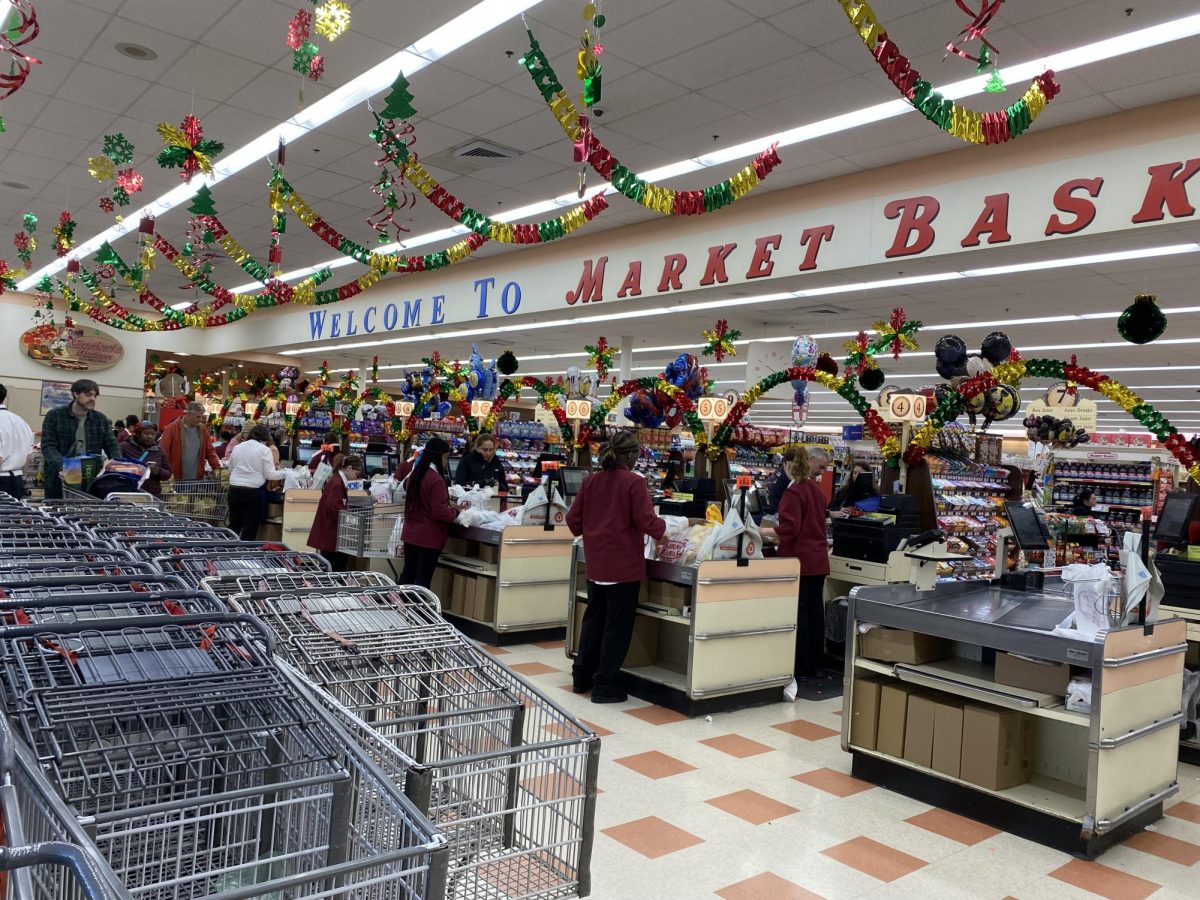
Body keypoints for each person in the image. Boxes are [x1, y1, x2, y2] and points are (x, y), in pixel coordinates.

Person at [567, 431, 667, 704]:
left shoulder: (591, 481)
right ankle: (604, 684)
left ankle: (581, 676)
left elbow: (573, 520)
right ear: (631, 455)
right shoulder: (634, 483)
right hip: (623, 565)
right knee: (617, 626)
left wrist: (593, 530)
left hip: (597, 563)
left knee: (593, 620)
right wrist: (665, 530)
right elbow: (647, 520)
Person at [775, 447, 832, 684]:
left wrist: (761, 530)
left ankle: (800, 665)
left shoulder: (794, 492)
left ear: (789, 466)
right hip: (818, 560)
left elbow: (790, 529)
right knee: (816, 613)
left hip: (798, 560)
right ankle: (816, 664)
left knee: (800, 614)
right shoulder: (817, 492)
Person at [40, 378, 120, 500]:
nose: (92, 399)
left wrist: (116, 463)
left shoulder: (100, 419)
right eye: (88, 395)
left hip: (90, 474)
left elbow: (111, 444)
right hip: (59, 475)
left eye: (95, 396)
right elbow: (48, 445)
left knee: (86, 513)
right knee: (58, 511)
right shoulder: (55, 415)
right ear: (76, 394)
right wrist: (62, 467)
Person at [399, 437, 459, 588]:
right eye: (445, 457)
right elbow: (439, 512)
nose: (446, 462)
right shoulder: (436, 479)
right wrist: (455, 513)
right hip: (429, 537)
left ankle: (398, 606)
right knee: (422, 580)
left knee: (408, 574)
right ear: (438, 456)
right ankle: (419, 611)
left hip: (411, 533)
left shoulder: (415, 474)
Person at [227, 424, 287, 541]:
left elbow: (230, 468)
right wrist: (286, 473)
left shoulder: (237, 447)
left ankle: (228, 551)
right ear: (265, 437)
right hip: (253, 492)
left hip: (234, 489)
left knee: (234, 524)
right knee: (250, 526)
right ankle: (245, 554)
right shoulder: (264, 450)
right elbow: (270, 474)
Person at [307, 454, 363, 572]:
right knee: (333, 565)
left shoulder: (337, 480)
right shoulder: (337, 483)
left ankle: (330, 586)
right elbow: (334, 507)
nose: (355, 478)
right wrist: (351, 519)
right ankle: (334, 587)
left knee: (329, 564)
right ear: (349, 468)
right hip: (331, 531)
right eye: (356, 474)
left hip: (330, 530)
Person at [159, 401, 222, 482]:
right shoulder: (173, 428)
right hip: (176, 476)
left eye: (202, 417)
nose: (200, 420)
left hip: (196, 476)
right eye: (198, 417)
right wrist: (165, 471)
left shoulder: (202, 429)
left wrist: (216, 468)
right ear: (188, 414)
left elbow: (210, 451)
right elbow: (163, 451)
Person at [119, 420, 172, 498]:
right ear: (138, 434)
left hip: (152, 495)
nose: (150, 437)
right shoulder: (124, 447)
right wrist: (134, 468)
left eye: (153, 434)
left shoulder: (159, 451)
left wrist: (157, 471)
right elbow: (114, 467)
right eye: (146, 433)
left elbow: (168, 473)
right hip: (129, 493)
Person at [0, 383, 35, 500]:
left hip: (1, 481)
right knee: (12, 517)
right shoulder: (21, 421)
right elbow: (29, 459)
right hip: (17, 481)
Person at [765, 446, 798, 514]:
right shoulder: (782, 477)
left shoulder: (788, 474)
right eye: (797, 462)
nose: (799, 466)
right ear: (787, 463)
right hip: (775, 514)